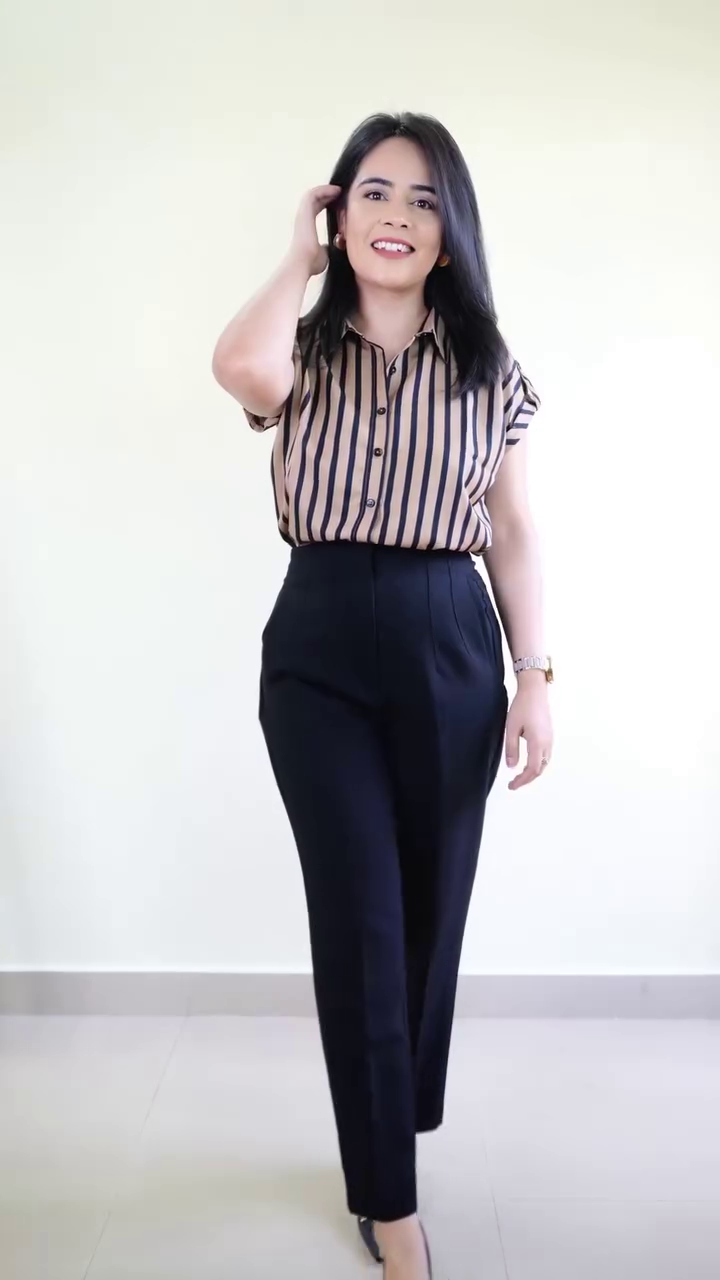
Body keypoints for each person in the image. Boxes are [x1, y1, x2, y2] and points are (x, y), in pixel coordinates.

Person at [212, 112, 553, 1280]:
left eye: (422, 198)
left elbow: (513, 530)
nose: (396, 215)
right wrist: (295, 259)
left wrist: (535, 676)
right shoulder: (299, 348)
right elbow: (239, 370)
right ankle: (388, 1200)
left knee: (427, 911)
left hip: (450, 636)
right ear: (339, 212)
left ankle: (390, 1114)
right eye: (372, 192)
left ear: (451, 232)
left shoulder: (490, 369)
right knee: (359, 912)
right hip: (318, 645)